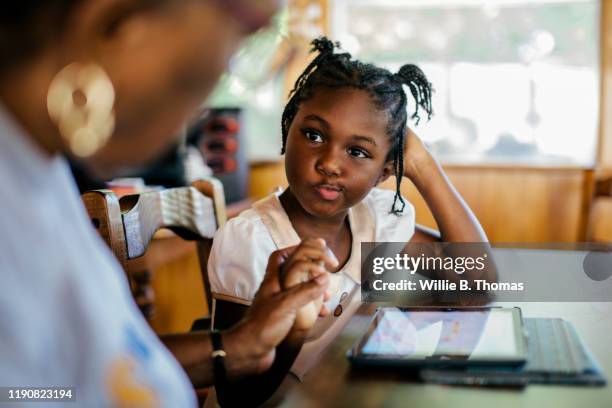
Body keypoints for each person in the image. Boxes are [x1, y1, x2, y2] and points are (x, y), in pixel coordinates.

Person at [0, 1, 335, 407]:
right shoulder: (253, 233)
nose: (208, 100)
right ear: (116, 21)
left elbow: (90, 370)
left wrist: (241, 344)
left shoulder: (39, 171)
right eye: (243, 36)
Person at [208, 37, 496, 404]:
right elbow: (239, 397)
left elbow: (476, 279)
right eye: (313, 135)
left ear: (384, 173)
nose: (329, 162)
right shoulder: (251, 240)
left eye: (358, 151)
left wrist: (422, 165)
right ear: (287, 130)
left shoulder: (374, 220)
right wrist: (294, 325)